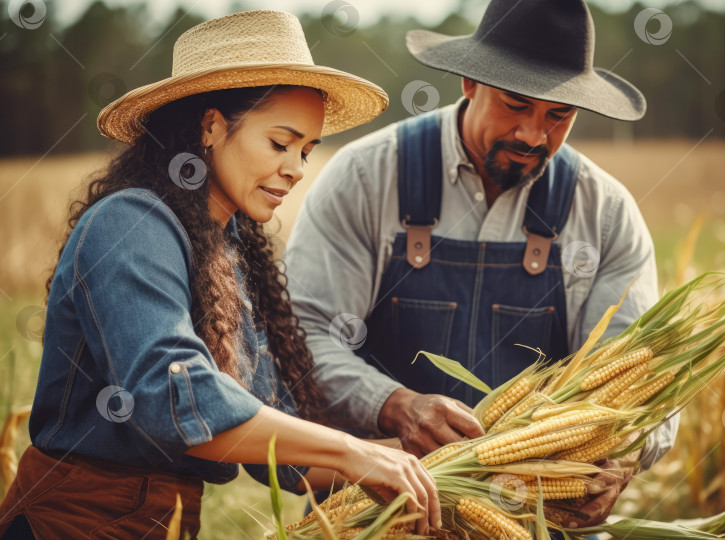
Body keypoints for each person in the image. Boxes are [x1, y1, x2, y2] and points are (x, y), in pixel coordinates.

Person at [0, 11, 441, 539]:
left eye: (306, 151)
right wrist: (350, 451)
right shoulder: (129, 224)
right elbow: (172, 394)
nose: (298, 168)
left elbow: (285, 459)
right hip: (70, 523)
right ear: (210, 126)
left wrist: (427, 462)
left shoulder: (230, 256)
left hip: (170, 524)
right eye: (281, 143)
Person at [284, 0, 678, 529]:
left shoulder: (606, 214)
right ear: (469, 82)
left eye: (558, 115)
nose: (535, 136)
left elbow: (641, 379)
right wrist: (394, 404)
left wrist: (624, 455)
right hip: (377, 517)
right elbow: (304, 336)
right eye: (516, 104)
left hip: (534, 522)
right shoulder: (365, 178)